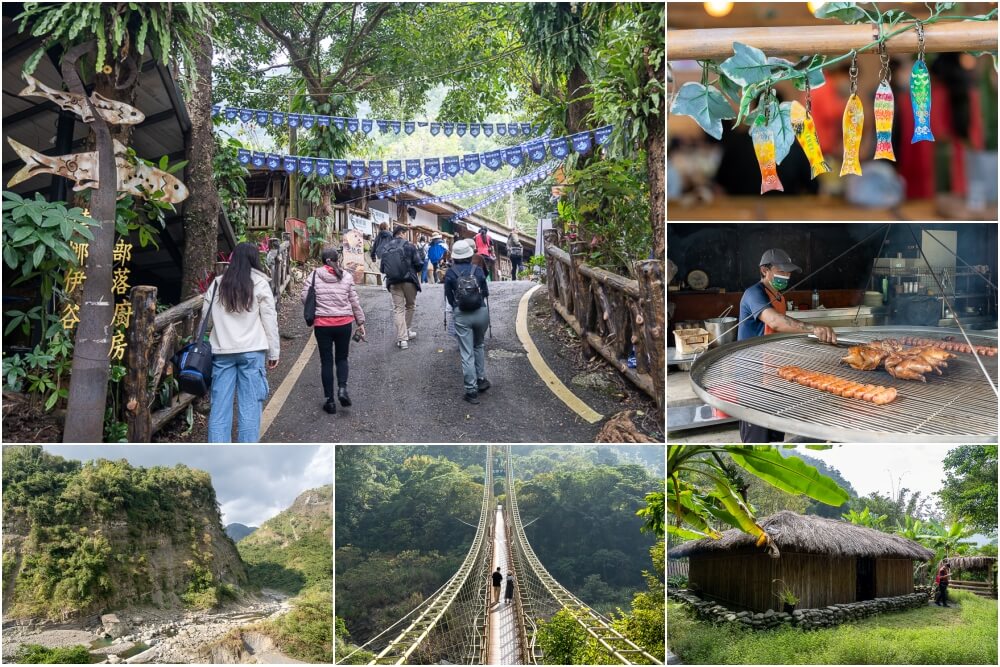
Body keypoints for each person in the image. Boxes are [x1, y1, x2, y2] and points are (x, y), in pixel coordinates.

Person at [737, 248, 837, 444]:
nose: (786, 276)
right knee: (758, 441)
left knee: (775, 436)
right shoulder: (753, 293)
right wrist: (813, 328)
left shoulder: (779, 297)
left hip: (774, 375)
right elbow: (774, 321)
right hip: (753, 378)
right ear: (764, 270)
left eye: (788, 272)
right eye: (781, 271)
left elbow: (781, 325)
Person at [202, 242, 280, 442]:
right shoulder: (260, 283)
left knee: (219, 408)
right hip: (253, 352)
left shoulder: (218, 284)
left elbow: (206, 319)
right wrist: (273, 352)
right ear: (255, 259)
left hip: (222, 350)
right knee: (250, 407)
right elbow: (269, 319)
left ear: (233, 258)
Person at [303, 246, 366, 415]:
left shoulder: (315, 275)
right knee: (342, 358)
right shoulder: (345, 276)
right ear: (337, 260)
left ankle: (330, 401)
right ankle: (342, 390)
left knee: (326, 361)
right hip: (344, 323)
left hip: (322, 324)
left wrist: (320, 306)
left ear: (322, 260)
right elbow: (354, 301)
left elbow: (305, 297)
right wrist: (360, 322)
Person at [445, 240, 490, 403]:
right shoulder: (477, 270)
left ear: (455, 257)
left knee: (466, 352)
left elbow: (449, 298)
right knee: (478, 345)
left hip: (462, 315)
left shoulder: (450, 273)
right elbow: (485, 292)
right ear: (469, 255)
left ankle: (471, 391)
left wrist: (458, 307)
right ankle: (481, 380)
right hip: (481, 313)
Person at [381, 225, 424, 350]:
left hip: (393, 282)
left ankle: (402, 338)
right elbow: (419, 264)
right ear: (401, 233)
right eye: (405, 233)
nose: (405, 235)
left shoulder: (386, 248)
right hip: (409, 280)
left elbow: (382, 269)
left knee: (398, 309)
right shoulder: (409, 246)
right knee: (410, 306)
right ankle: (407, 330)